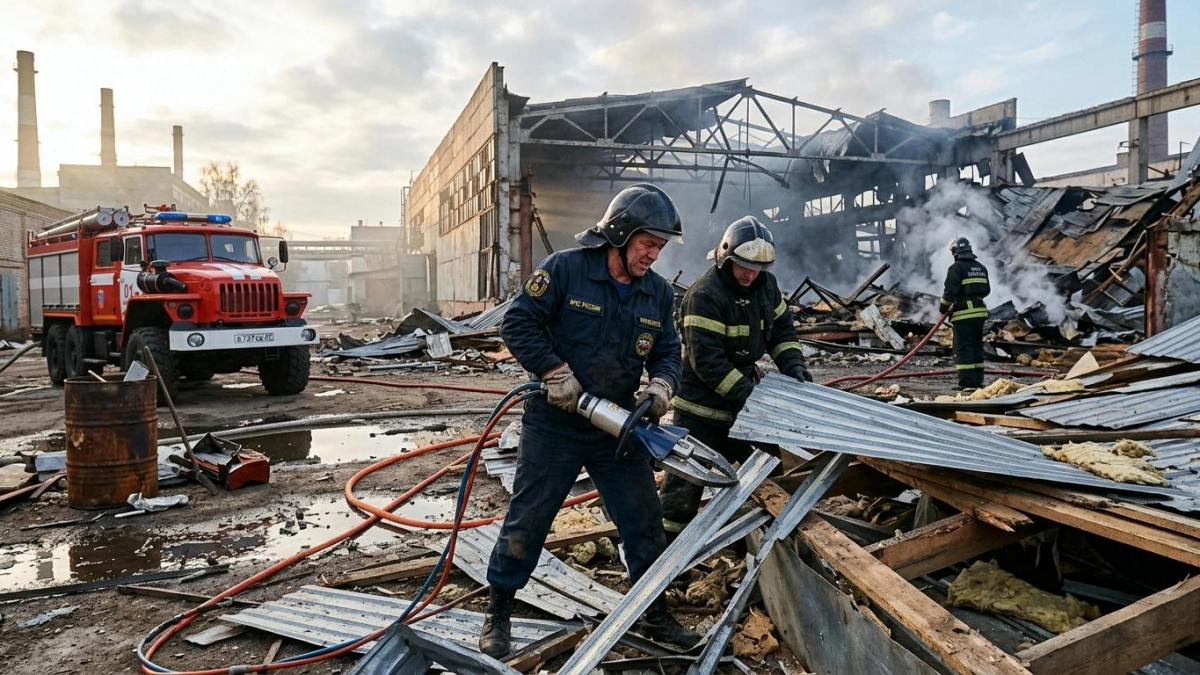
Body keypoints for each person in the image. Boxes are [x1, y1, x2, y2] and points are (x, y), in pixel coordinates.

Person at [479, 183, 701, 658]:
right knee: (528, 520)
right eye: (647, 244)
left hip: (616, 429)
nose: (653, 255)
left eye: (660, 247)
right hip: (554, 423)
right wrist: (552, 371)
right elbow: (517, 323)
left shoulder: (658, 293)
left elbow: (666, 352)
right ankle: (498, 608)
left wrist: (662, 387)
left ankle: (655, 612)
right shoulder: (565, 270)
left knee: (644, 522)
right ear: (619, 235)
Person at [659, 216, 811, 537]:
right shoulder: (704, 295)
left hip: (743, 407)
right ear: (725, 257)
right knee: (683, 491)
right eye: (743, 265)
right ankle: (668, 556)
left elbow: (782, 333)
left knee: (771, 476)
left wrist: (795, 369)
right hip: (700, 412)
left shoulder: (766, 288)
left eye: (758, 268)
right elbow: (708, 362)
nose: (750, 273)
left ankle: (768, 542)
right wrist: (752, 397)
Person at [940, 236, 991, 390]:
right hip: (980, 312)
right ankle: (978, 381)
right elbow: (987, 290)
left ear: (955, 252)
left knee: (963, 348)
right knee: (976, 346)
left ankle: (967, 384)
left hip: (963, 313)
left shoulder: (956, 268)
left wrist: (943, 308)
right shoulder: (981, 267)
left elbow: (949, 293)